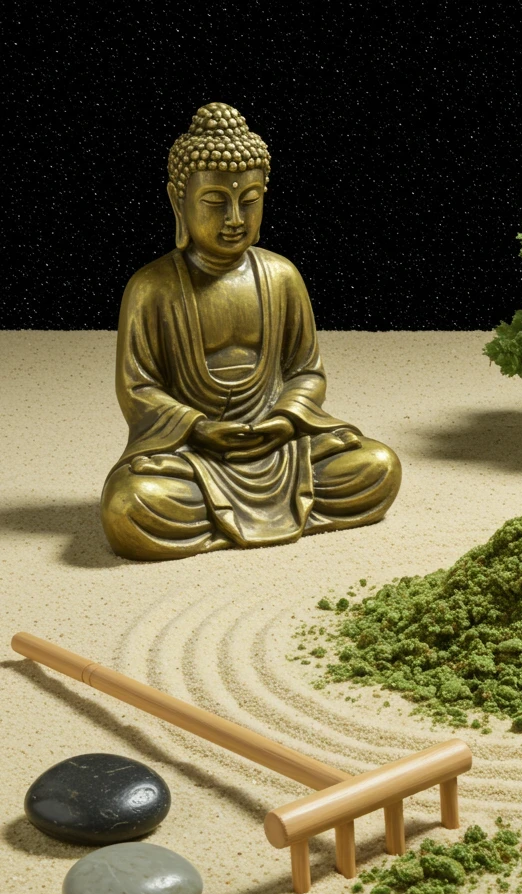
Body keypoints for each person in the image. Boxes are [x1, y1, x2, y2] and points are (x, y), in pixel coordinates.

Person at [101, 103, 400, 560]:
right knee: (131, 505)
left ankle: (230, 521)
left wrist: (282, 418)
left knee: (378, 466)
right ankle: (230, 511)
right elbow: (138, 387)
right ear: (177, 201)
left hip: (281, 444)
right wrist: (200, 428)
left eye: (250, 199)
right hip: (194, 454)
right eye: (215, 202)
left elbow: (306, 372)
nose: (235, 218)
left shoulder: (281, 276)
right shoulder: (151, 287)